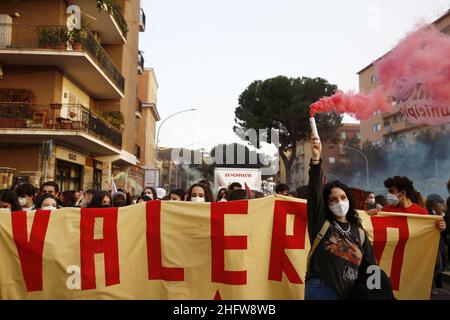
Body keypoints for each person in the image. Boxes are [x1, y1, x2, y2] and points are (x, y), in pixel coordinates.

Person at [305, 137, 380, 300]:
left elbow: (371, 265)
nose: (339, 202)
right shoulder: (321, 223)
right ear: (325, 204)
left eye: (343, 197)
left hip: (351, 293)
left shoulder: (359, 232)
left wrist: (376, 292)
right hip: (322, 291)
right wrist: (316, 160)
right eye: (333, 199)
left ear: (349, 200)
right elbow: (315, 192)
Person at [380, 176, 446, 231]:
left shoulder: (421, 213)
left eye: (391, 191)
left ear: (403, 193)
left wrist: (439, 226)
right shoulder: (385, 210)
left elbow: (428, 232)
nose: (389, 194)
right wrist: (372, 214)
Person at [426, 195, 447, 293]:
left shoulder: (441, 215)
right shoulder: (428, 214)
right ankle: (432, 285)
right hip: (435, 245)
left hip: (438, 244)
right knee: (437, 265)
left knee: (438, 265)